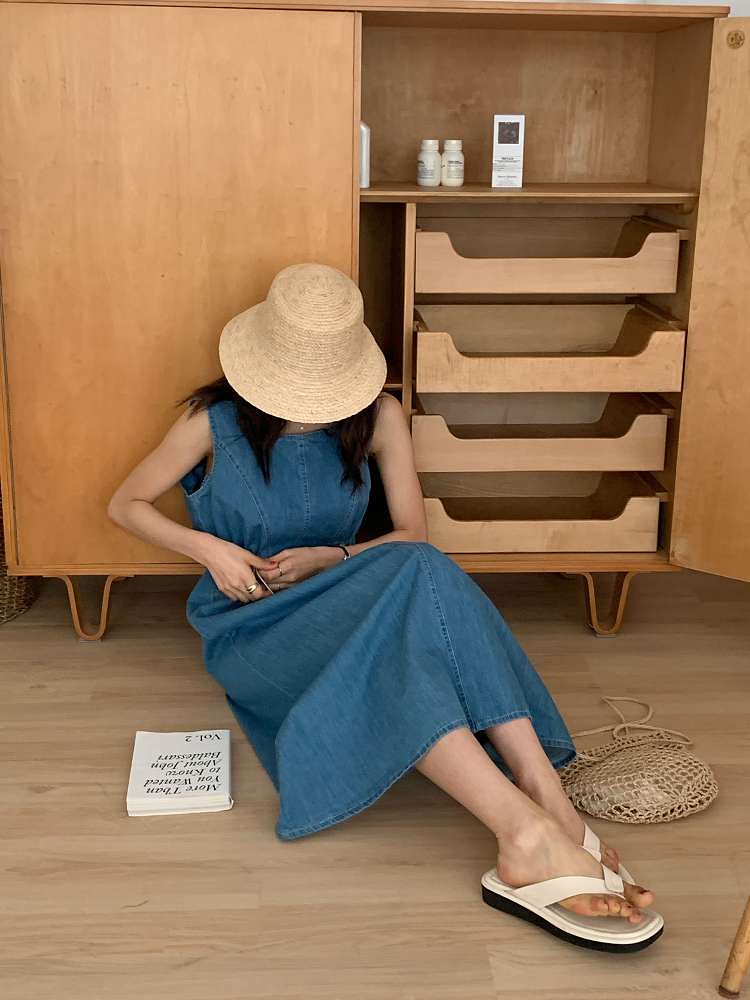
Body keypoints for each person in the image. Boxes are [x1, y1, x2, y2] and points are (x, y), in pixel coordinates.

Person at [108, 262, 663, 951]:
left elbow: (411, 535)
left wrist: (331, 557)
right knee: (404, 632)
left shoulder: (378, 416)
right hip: (252, 619)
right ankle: (527, 829)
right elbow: (125, 504)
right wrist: (209, 550)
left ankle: (544, 800)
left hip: (345, 587)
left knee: (420, 567)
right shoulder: (211, 422)